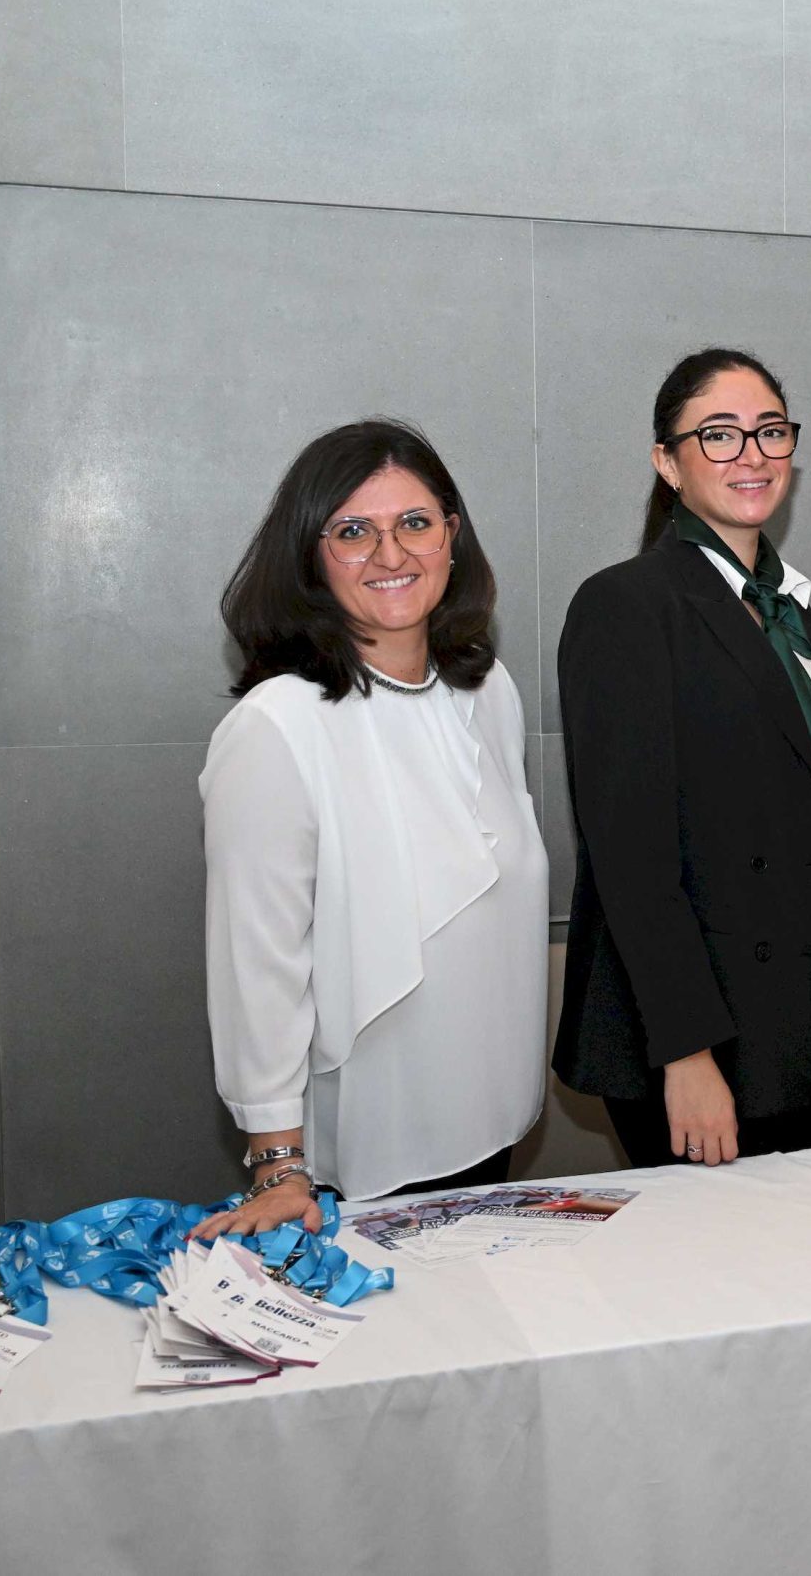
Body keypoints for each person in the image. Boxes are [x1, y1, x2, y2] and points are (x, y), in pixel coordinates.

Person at [195, 420, 548, 1237]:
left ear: (452, 537)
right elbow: (258, 962)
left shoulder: (488, 690)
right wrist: (278, 1167)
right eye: (353, 531)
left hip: (493, 1128)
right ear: (310, 556)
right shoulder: (278, 724)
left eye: (415, 523)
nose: (392, 554)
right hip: (365, 1153)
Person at [554, 348, 811, 1168]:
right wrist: (687, 1053)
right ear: (667, 462)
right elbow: (631, 857)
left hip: (810, 1030)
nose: (752, 454)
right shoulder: (625, 605)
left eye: (770, 431)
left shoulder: (791, 613)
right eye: (718, 434)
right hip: (703, 1033)